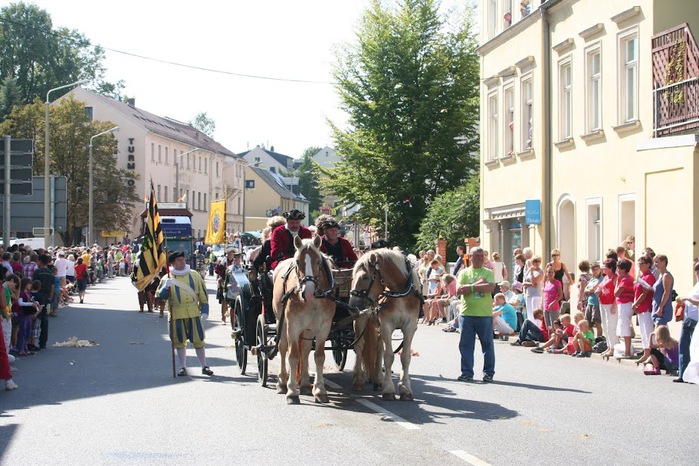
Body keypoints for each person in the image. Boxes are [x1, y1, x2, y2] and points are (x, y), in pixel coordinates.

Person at [156, 251, 213, 377]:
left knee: (199, 340)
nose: (182, 262)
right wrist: (165, 288)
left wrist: (204, 310)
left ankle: (204, 366)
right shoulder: (167, 278)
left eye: (183, 259)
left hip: (193, 313)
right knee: (179, 341)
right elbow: (160, 297)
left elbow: (203, 294)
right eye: (179, 260)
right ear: (172, 263)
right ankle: (182, 367)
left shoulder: (194, 275)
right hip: (176, 314)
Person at [455, 247, 496, 382]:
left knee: (487, 345)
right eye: (476, 256)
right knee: (466, 345)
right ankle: (467, 372)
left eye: (482, 256)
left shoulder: (488, 272)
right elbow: (459, 290)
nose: (479, 258)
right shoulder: (464, 273)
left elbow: (490, 287)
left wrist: (470, 287)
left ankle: (488, 372)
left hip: (484, 314)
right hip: (467, 314)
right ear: (470, 257)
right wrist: (478, 285)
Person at [676, 261, 699, 383]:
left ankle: (692, 374)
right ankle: (683, 372)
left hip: (696, 319)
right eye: (696, 271)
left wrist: (689, 299)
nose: (697, 274)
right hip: (688, 319)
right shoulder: (696, 285)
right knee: (684, 346)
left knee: (694, 348)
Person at [633, 256, 656, 365]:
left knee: (648, 331)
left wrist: (636, 303)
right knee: (643, 331)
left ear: (648, 264)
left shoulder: (649, 277)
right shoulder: (641, 277)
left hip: (646, 306)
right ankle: (646, 353)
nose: (640, 265)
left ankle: (651, 354)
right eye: (639, 263)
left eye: (642, 263)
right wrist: (636, 305)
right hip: (640, 308)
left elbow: (645, 293)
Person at [596, 259, 618, 359]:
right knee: (605, 326)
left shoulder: (615, 278)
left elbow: (617, 293)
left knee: (611, 326)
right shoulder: (605, 278)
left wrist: (614, 304)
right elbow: (600, 288)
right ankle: (609, 346)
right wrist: (598, 291)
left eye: (605, 266)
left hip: (610, 304)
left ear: (611, 268)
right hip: (602, 303)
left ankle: (614, 347)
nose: (603, 268)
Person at [33, 254, 54, 350]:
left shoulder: (37, 272)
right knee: (45, 320)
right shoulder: (50, 273)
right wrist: (50, 297)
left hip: (38, 295)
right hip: (46, 296)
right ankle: (43, 342)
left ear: (40, 261)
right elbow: (52, 287)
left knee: (35, 318)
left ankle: (32, 341)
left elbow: (34, 284)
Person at [614, 259, 635, 358]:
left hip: (625, 304)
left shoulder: (625, 280)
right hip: (624, 304)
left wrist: (617, 282)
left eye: (619, 268)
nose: (617, 270)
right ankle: (626, 349)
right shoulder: (628, 279)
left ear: (623, 269)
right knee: (623, 326)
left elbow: (616, 293)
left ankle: (627, 351)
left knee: (624, 327)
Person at [651, 254, 674, 327]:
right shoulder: (660, 275)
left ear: (664, 262)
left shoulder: (666, 276)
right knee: (660, 331)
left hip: (662, 307)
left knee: (660, 330)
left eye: (657, 262)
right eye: (654, 262)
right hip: (657, 304)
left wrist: (661, 307)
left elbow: (666, 292)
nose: (655, 264)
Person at [582, 263, 603, 338]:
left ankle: (599, 339)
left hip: (596, 302)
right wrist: (589, 290)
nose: (595, 271)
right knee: (588, 323)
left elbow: (593, 288)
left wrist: (590, 290)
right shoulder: (592, 279)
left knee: (597, 323)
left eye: (597, 269)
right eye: (593, 269)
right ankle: (592, 339)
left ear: (600, 270)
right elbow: (585, 289)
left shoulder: (601, 279)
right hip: (589, 302)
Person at [542, 265, 563, 334]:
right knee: (548, 326)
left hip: (554, 307)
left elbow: (560, 295)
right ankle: (550, 341)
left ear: (554, 273)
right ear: (546, 273)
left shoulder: (557, 283)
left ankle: (555, 342)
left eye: (551, 272)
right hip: (546, 306)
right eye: (548, 272)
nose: (550, 274)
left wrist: (554, 302)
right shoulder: (546, 282)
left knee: (554, 326)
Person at [523, 255, 543, 323]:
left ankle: (537, 328)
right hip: (529, 294)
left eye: (538, 261)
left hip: (536, 294)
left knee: (536, 313)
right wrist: (531, 284)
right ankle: (531, 328)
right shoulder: (529, 270)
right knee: (529, 313)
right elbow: (524, 283)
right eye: (535, 261)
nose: (537, 263)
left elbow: (535, 282)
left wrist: (532, 272)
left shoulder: (540, 272)